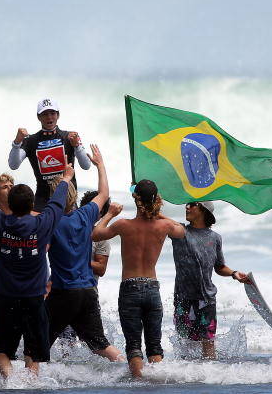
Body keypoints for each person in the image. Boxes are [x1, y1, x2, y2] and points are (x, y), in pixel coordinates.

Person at [0, 150, 72, 378]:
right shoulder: (42, 223)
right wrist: (65, 180)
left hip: (6, 297)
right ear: (31, 203)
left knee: (0, 350)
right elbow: (58, 204)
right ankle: (30, 383)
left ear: (10, 202)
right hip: (34, 298)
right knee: (33, 351)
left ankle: (11, 381)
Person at [92, 179, 185, 378]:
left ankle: (138, 385)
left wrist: (109, 214)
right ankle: (157, 384)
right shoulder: (165, 226)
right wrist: (157, 213)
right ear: (156, 201)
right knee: (154, 345)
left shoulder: (124, 225)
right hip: (152, 288)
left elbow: (96, 234)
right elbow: (181, 230)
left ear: (136, 200)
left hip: (130, 288)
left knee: (133, 345)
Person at [46, 144, 122, 362]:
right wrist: (100, 165)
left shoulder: (51, 223)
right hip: (88, 291)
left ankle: (27, 383)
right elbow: (104, 193)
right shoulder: (86, 214)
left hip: (63, 293)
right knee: (100, 344)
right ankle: (129, 371)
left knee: (39, 340)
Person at [170, 201, 250, 359]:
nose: (187, 207)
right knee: (185, 342)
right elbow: (158, 218)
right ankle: (186, 377)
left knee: (208, 340)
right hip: (183, 297)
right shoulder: (180, 232)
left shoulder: (215, 238)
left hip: (207, 298)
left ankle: (209, 375)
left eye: (192, 204)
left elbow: (219, 267)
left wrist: (234, 273)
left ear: (204, 210)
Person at [8, 97, 91, 212]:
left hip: (68, 200)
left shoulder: (70, 137)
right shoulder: (30, 140)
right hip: (43, 202)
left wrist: (77, 146)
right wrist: (17, 142)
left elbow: (86, 166)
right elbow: (13, 165)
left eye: (52, 113)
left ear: (58, 115)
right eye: (45, 114)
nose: (49, 117)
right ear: (38, 117)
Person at [79, 191, 111, 280]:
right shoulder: (69, 227)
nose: (94, 213)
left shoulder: (101, 236)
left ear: (102, 215)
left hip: (88, 287)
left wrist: (76, 259)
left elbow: (101, 269)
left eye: (100, 211)